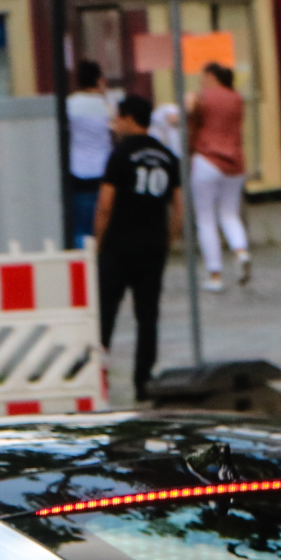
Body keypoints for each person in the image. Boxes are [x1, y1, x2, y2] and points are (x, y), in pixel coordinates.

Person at [94, 93, 181, 404]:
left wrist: (98, 243)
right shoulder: (168, 156)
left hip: (118, 246)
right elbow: (179, 208)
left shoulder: (119, 155)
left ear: (129, 118)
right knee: (147, 316)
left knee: (105, 314)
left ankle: (98, 378)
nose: (115, 124)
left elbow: (105, 205)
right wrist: (167, 240)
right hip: (152, 247)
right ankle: (143, 381)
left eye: (118, 118)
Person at [187, 61, 251, 291]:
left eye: (203, 77)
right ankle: (241, 251)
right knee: (229, 213)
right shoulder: (237, 98)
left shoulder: (201, 97)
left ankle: (215, 275)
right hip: (235, 163)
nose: (201, 82)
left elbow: (191, 122)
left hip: (206, 160)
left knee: (205, 219)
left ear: (211, 76)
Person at [63, 60, 114, 251]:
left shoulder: (69, 105)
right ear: (99, 80)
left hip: (77, 171)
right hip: (104, 172)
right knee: (103, 225)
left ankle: (83, 267)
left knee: (80, 229)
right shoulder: (108, 106)